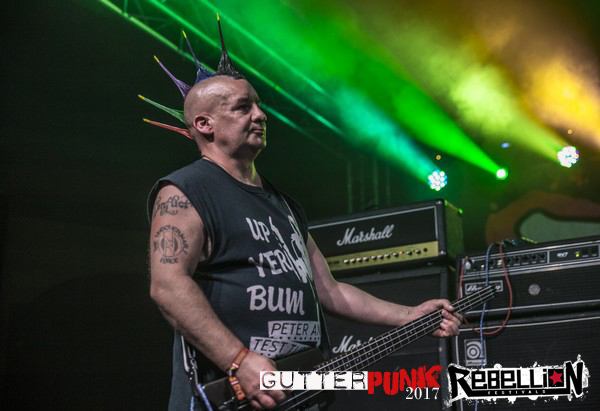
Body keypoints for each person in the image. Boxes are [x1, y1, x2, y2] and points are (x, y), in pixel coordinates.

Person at [146, 18, 462, 411]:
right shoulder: (186, 190)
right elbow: (168, 286)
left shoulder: (284, 205)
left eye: (258, 104)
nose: (260, 115)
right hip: (231, 397)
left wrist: (409, 314)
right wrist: (238, 359)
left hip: (299, 393)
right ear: (204, 124)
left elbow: (329, 290)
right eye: (243, 107)